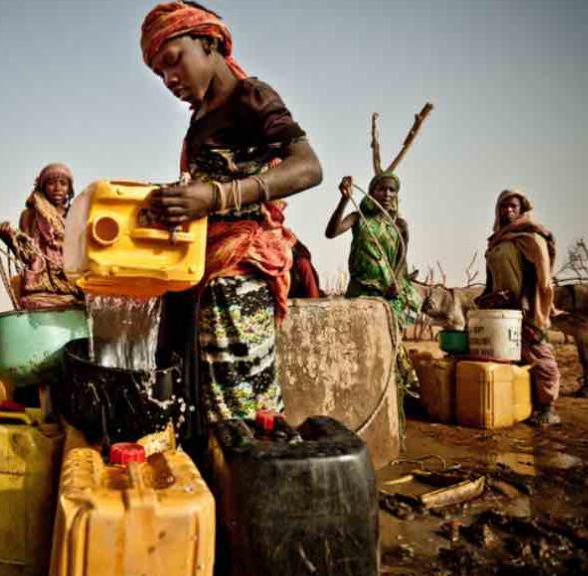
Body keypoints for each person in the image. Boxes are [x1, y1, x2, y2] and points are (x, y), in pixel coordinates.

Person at [141, 1, 323, 422]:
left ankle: (250, 482)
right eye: (159, 74)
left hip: (237, 272)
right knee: (187, 394)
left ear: (208, 42)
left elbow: (309, 167)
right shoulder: (201, 116)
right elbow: (207, 185)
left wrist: (216, 197)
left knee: (240, 409)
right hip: (197, 266)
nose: (169, 79)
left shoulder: (250, 96)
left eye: (172, 62)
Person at [326, 173, 421, 393]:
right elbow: (331, 233)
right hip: (360, 291)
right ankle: (357, 391)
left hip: (385, 296)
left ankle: (393, 392)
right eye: (381, 189)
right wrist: (343, 199)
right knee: (357, 344)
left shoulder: (399, 225)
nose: (387, 194)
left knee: (387, 344)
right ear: (371, 192)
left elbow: (400, 260)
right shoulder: (358, 217)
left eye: (392, 190)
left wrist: (396, 282)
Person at [477, 189, 561, 426]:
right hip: (502, 306)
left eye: (514, 206)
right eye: (504, 206)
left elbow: (538, 275)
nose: (508, 211)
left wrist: (524, 303)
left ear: (522, 209)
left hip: (526, 305)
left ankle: (548, 407)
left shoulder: (531, 237)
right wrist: (487, 297)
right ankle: (525, 403)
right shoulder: (496, 241)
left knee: (539, 350)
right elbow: (491, 277)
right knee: (509, 355)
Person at [0, 162, 82, 310]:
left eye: (63, 183)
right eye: (51, 183)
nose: (57, 188)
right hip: (41, 290)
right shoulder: (29, 216)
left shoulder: (78, 216)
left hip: (75, 286)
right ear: (42, 186)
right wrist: (8, 238)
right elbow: (28, 255)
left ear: (69, 189)